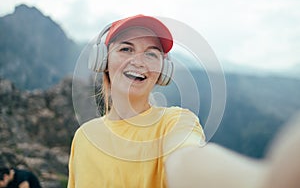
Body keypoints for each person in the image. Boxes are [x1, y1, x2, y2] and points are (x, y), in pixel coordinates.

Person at [67, 14, 298, 188]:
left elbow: (186, 158)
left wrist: (262, 180)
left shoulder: (176, 122)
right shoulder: (84, 138)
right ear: (103, 60)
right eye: (126, 49)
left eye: (151, 53)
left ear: (163, 70)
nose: (138, 61)